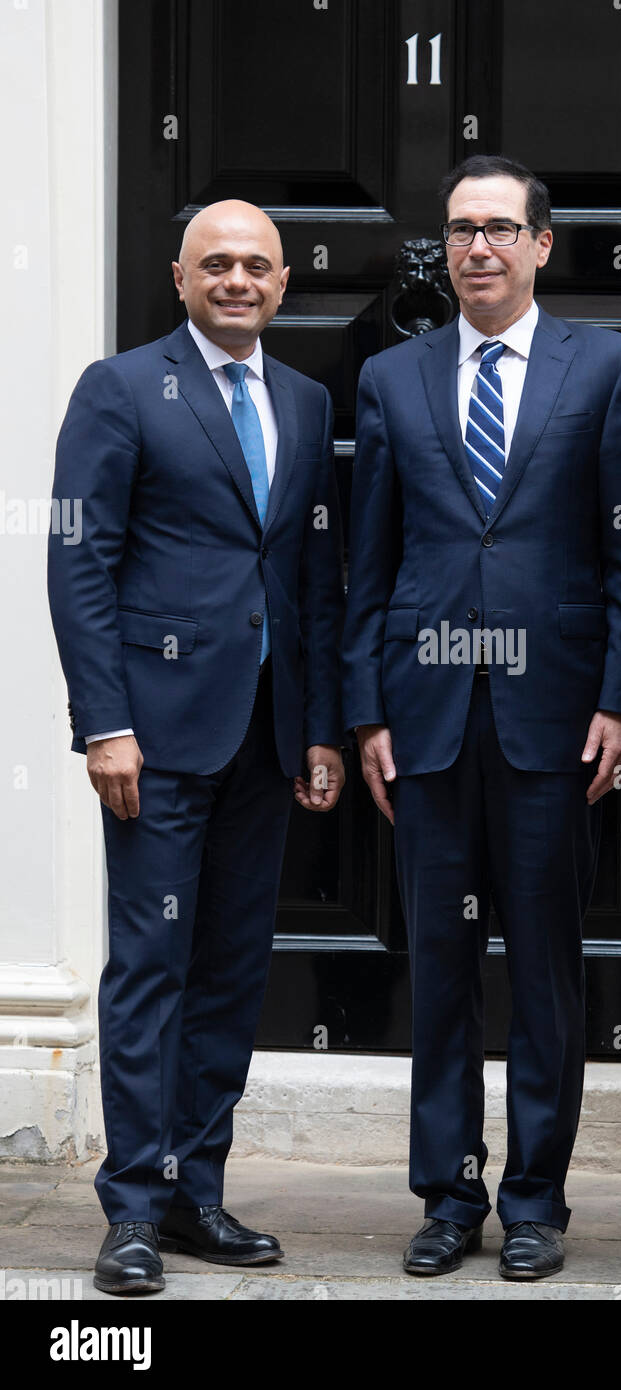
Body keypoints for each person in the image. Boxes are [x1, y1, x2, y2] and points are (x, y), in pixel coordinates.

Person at [342, 155, 621, 1280]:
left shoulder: (610, 369)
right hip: (425, 715)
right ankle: (445, 1193)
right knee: (438, 963)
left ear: (539, 245)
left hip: (554, 716)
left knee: (542, 966)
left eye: (498, 230)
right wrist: (364, 708)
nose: (476, 248)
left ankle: (535, 1199)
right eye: (458, 231)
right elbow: (366, 561)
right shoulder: (393, 379)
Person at [47, 200, 345, 1295]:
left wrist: (317, 727)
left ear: (280, 282)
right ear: (177, 277)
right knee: (149, 970)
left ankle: (193, 1193)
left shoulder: (306, 403)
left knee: (228, 973)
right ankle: (129, 1210)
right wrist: (105, 723)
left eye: (254, 265)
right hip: (157, 739)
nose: (235, 280)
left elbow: (310, 577)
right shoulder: (120, 388)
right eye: (214, 263)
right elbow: (79, 561)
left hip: (266, 737)